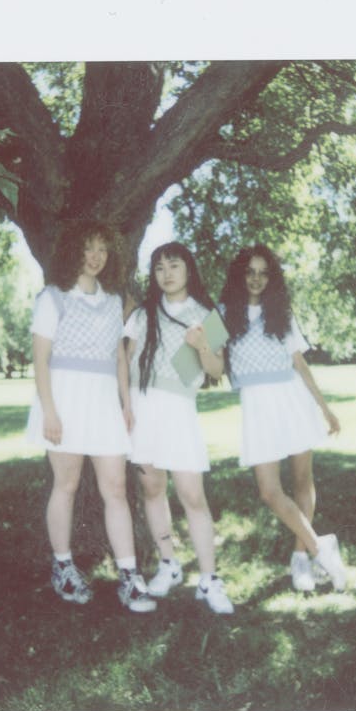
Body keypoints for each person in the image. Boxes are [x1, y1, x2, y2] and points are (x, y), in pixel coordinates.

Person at [26, 220, 156, 613]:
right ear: (73, 252)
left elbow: (118, 356)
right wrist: (50, 410)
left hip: (103, 405)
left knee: (115, 488)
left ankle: (130, 577)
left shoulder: (114, 300)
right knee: (65, 485)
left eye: (102, 249)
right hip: (63, 401)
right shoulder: (52, 298)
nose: (96, 257)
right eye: (88, 248)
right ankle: (63, 566)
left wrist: (126, 404)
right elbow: (40, 360)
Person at [218, 243, 347, 592]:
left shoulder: (281, 314)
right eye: (250, 272)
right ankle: (323, 549)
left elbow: (299, 364)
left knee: (302, 481)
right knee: (270, 491)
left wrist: (325, 408)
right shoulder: (222, 315)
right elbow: (204, 364)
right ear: (239, 275)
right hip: (257, 407)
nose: (256, 279)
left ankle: (300, 558)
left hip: (293, 399)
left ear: (271, 278)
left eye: (263, 272)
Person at [121, 242, 234, 614]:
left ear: (189, 269)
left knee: (192, 494)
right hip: (143, 407)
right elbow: (127, 360)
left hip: (180, 409)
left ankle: (209, 579)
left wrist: (202, 346)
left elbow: (216, 371)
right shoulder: (143, 314)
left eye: (174, 265)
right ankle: (168, 564)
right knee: (151, 487)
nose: (167, 274)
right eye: (159, 268)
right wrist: (127, 406)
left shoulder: (207, 315)